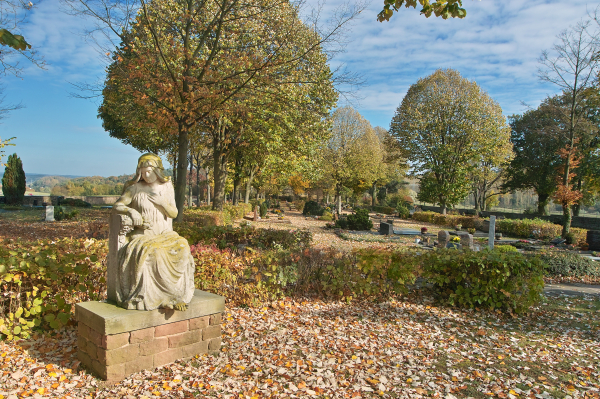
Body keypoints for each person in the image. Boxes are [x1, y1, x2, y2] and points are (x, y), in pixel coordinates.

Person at [112, 153, 195, 311]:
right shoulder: (134, 188)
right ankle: (162, 298)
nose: (145, 174)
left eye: (149, 171)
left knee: (183, 248)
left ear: (157, 170)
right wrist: (132, 212)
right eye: (142, 172)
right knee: (154, 253)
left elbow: (174, 213)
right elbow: (117, 206)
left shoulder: (166, 187)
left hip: (165, 234)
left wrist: (162, 202)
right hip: (144, 236)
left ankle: (176, 295)